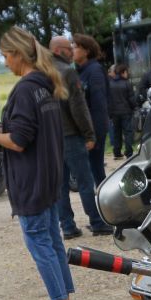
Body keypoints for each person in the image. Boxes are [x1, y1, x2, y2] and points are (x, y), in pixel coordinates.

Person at [0, 27, 77, 300]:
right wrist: (0, 126)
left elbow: (18, 142)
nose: (4, 62)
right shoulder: (44, 85)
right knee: (53, 242)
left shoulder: (24, 89)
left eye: (5, 55)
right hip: (48, 177)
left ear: (18, 54)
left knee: (40, 243)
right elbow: (27, 131)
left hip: (31, 181)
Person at [48, 36, 110, 238]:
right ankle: (97, 222)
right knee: (85, 181)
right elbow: (78, 107)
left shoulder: (44, 72)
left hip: (52, 136)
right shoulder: (68, 72)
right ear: (59, 51)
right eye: (68, 47)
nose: (71, 51)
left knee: (61, 184)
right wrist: (89, 134)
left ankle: (67, 226)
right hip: (71, 135)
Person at [71, 33, 110, 186]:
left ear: (86, 51)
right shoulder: (79, 71)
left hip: (94, 131)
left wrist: (92, 136)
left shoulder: (95, 71)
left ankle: (104, 204)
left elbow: (99, 106)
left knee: (97, 171)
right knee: (92, 171)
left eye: (76, 47)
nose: (72, 50)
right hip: (85, 131)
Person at [108, 64, 137, 159]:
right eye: (127, 72)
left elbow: (108, 99)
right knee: (128, 132)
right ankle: (128, 152)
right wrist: (135, 107)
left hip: (114, 113)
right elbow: (131, 98)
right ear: (123, 72)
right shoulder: (127, 83)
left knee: (117, 132)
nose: (128, 73)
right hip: (125, 111)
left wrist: (110, 112)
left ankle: (117, 152)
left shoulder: (110, 83)